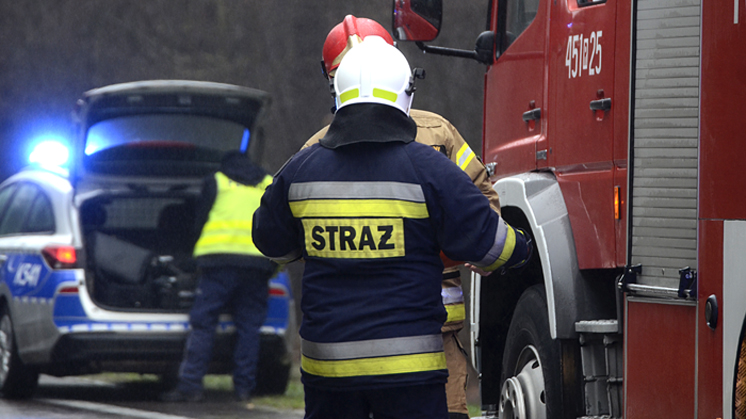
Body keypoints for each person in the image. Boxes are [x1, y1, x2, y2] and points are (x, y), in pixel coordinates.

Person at [252, 36, 531, 419]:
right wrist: (523, 248)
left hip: (327, 373)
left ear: (338, 93)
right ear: (406, 94)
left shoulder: (300, 169)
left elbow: (271, 244)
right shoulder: (431, 169)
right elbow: (493, 246)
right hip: (410, 373)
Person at [304, 15, 503, 419]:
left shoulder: (313, 152)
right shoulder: (437, 135)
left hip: (340, 341)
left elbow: (281, 236)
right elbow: (486, 212)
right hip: (428, 337)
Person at [161, 150, 277, 403]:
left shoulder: (217, 180)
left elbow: (200, 220)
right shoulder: (269, 182)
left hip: (218, 263)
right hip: (257, 264)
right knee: (249, 328)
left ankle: (190, 386)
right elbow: (279, 225)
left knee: (204, 323)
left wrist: (191, 257)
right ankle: (243, 390)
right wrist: (273, 266)